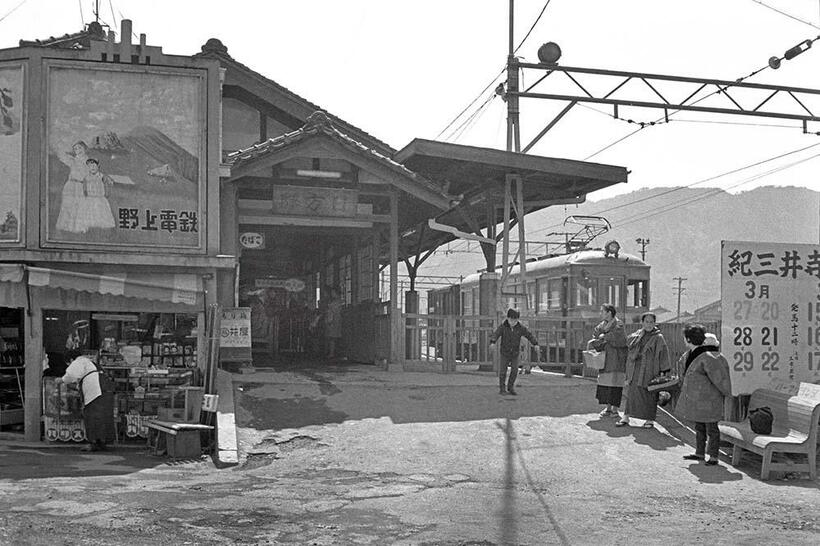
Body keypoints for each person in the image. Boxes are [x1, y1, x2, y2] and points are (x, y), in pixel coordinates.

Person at [675, 325, 732, 466]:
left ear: (688, 339)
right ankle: (699, 452)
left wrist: (726, 392)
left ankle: (713, 456)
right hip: (698, 399)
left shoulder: (709, 357)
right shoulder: (694, 354)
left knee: (711, 428)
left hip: (709, 399)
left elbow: (719, 378)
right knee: (700, 426)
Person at [616, 312, 670, 428]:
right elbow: (628, 345)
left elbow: (663, 354)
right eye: (646, 321)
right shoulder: (638, 334)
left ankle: (649, 419)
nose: (649, 324)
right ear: (642, 322)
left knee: (649, 393)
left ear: (655, 323)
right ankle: (626, 416)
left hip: (651, 369)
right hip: (636, 368)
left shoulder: (658, 337)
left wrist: (664, 371)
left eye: (651, 322)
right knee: (632, 392)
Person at [56, 350, 115, 452]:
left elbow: (71, 375)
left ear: (71, 360)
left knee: (92, 415)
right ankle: (102, 441)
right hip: (105, 388)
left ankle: (93, 442)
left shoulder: (79, 361)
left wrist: (61, 380)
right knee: (104, 415)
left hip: (95, 389)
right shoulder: (89, 363)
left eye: (69, 363)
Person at [587, 304, 628, 417]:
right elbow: (595, 336)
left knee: (615, 382)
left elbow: (621, 340)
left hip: (616, 359)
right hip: (605, 359)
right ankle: (608, 408)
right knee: (605, 383)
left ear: (609, 313)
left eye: (602, 311)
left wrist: (605, 337)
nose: (601, 313)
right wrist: (599, 340)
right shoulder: (601, 325)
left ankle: (615, 409)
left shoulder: (619, 324)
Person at [489, 308, 539, 395]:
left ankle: (510, 387)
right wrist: (493, 342)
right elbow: (496, 334)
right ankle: (502, 388)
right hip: (505, 352)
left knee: (515, 370)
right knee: (503, 371)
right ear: (508, 318)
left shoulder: (520, 328)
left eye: (515, 320)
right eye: (511, 319)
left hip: (515, 352)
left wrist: (535, 344)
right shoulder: (503, 327)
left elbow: (529, 335)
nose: (513, 322)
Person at [55, 141, 91, 233]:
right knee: (67, 205)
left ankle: (78, 228)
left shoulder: (88, 161)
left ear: (84, 148)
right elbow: (61, 156)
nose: (78, 150)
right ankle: (65, 227)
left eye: (80, 148)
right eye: (75, 149)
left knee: (79, 206)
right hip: (70, 185)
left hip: (80, 185)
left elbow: (88, 173)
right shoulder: (72, 159)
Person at [82, 158, 115, 230]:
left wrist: (107, 193)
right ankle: (91, 227)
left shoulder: (102, 176)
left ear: (98, 166)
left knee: (101, 213)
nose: (92, 168)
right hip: (90, 198)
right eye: (90, 166)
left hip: (100, 198)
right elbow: (84, 188)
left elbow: (109, 183)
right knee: (90, 214)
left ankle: (102, 227)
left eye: (94, 166)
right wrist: (86, 195)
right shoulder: (86, 177)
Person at [325, 288, 343, 360]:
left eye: (333, 292)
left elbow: (331, 310)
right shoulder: (338, 302)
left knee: (332, 337)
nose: (332, 294)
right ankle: (333, 352)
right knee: (333, 337)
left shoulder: (337, 302)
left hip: (334, 320)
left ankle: (332, 353)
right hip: (335, 319)